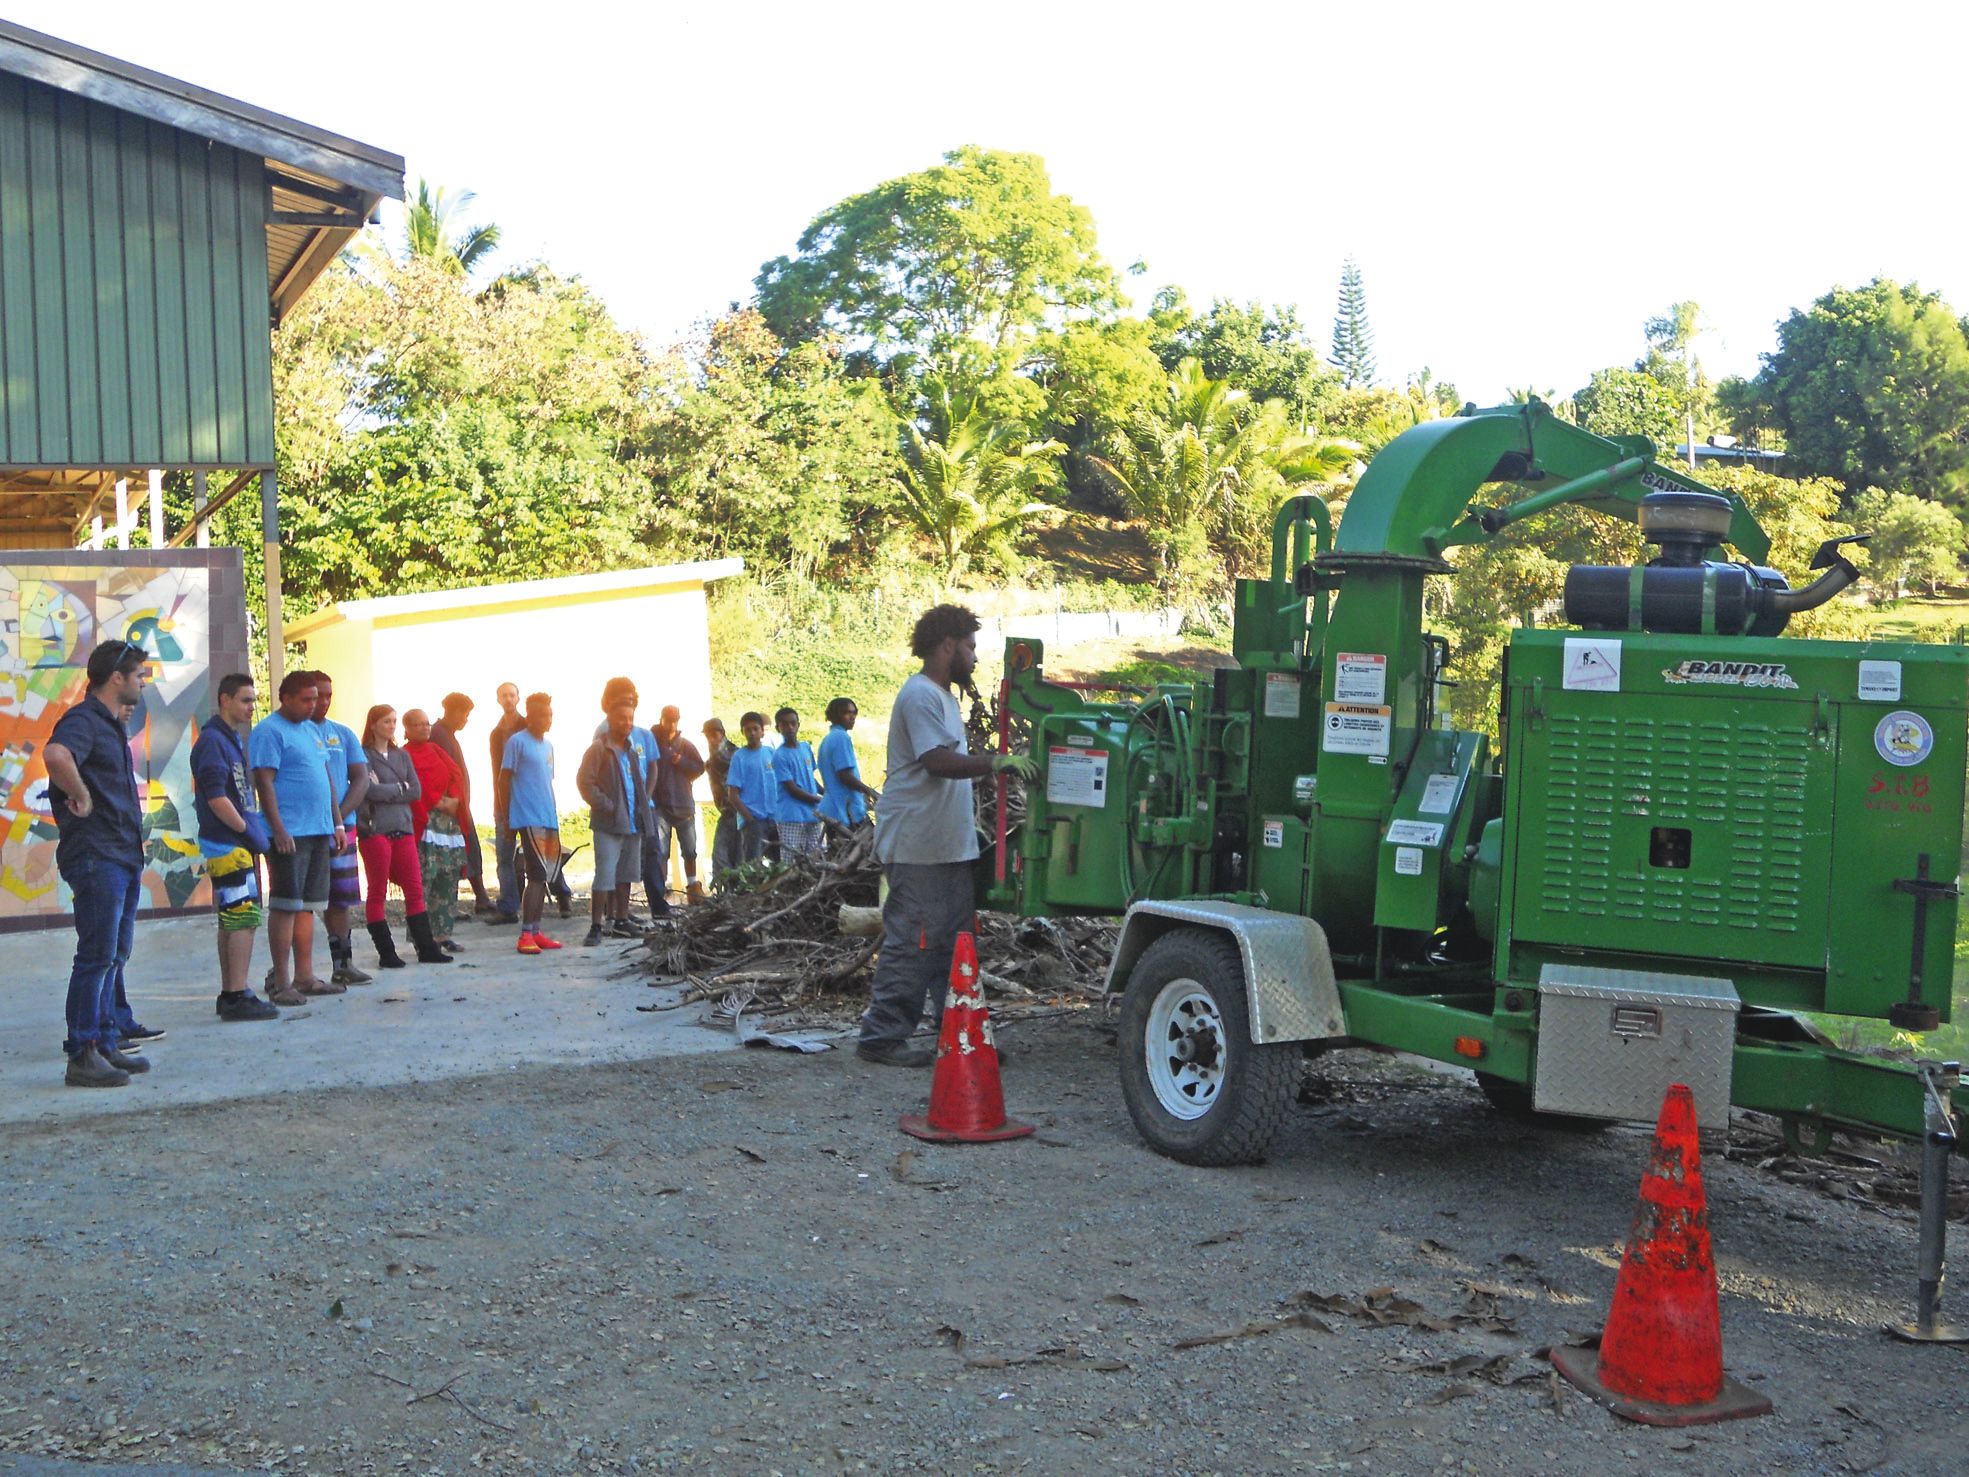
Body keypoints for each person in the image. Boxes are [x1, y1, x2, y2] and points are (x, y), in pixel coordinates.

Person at [857, 605, 1034, 1068]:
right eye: (971, 647)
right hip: (918, 847)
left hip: (946, 848)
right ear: (948, 645)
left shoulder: (944, 698)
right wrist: (994, 763)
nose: (975, 658)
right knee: (913, 941)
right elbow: (936, 761)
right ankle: (881, 1038)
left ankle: (957, 1034)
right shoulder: (920, 696)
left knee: (953, 946)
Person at [42, 639, 158, 1086]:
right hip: (96, 855)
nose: (142, 682)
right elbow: (55, 755)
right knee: (96, 954)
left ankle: (106, 1042)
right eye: (139, 675)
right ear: (116, 678)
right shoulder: (84, 719)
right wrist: (82, 794)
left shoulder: (109, 725)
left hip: (121, 854)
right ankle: (83, 1052)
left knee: (115, 953)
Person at [189, 672, 278, 1022]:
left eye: (254, 701)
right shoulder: (213, 740)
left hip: (232, 842)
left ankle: (231, 992)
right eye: (245, 700)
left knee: (234, 918)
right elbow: (215, 796)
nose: (251, 707)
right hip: (228, 843)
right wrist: (247, 832)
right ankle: (237, 993)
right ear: (224, 700)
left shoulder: (228, 738)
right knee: (243, 918)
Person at [251, 671, 343, 1003]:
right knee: (286, 905)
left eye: (316, 698)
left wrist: (338, 823)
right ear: (285, 698)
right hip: (290, 832)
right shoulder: (269, 731)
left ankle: (305, 977)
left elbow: (326, 776)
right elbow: (264, 782)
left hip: (318, 829)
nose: (313, 704)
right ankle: (282, 981)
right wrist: (277, 829)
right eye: (306, 699)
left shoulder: (311, 730)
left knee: (309, 906)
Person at [358, 705, 450, 967]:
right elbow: (368, 790)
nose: (391, 726)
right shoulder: (364, 756)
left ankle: (426, 947)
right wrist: (399, 788)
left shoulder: (401, 756)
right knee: (377, 890)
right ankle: (386, 951)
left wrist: (387, 788)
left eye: (394, 721)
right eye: (386, 721)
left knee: (414, 887)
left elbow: (415, 791)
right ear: (373, 724)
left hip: (403, 826)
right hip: (376, 828)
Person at [309, 672, 372, 987]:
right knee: (304, 901)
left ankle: (342, 963)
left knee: (341, 899)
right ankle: (294, 972)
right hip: (306, 830)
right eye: (317, 695)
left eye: (328, 695)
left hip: (342, 830)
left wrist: (340, 816)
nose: (323, 701)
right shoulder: (294, 732)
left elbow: (360, 778)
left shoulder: (343, 734)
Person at [490, 681, 573, 921]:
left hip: (546, 815)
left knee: (548, 866)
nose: (549, 720)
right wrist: (505, 815)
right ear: (532, 717)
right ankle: (520, 922)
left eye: (550, 715)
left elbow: (544, 781)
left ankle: (558, 899)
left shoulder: (547, 745)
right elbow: (502, 778)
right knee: (531, 872)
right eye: (544, 715)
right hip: (523, 814)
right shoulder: (511, 739)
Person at [578, 699, 649, 947]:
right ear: (610, 719)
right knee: (605, 874)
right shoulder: (598, 748)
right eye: (622, 718)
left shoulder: (631, 749)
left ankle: (621, 920)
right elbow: (585, 783)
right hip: (608, 822)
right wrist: (607, 805)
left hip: (632, 820)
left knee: (626, 874)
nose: (627, 723)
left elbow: (637, 781)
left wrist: (641, 808)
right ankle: (596, 925)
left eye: (630, 719)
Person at [404, 709, 468, 952]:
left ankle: (443, 934)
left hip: (447, 824)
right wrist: (435, 801)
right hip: (423, 824)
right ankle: (423, 938)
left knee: (448, 878)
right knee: (423, 880)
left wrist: (454, 799)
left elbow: (455, 774)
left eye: (426, 723)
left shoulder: (436, 750)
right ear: (407, 728)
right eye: (418, 724)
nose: (424, 728)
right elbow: (412, 785)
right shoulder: (404, 755)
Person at [433, 692, 495, 916]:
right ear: (454, 711)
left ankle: (481, 898)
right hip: (450, 805)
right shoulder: (438, 734)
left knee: (469, 850)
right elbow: (443, 772)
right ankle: (451, 905)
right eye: (465, 714)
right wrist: (451, 801)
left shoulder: (447, 734)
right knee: (452, 854)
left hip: (459, 804)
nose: (465, 720)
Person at [650, 705, 708, 901]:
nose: (671, 723)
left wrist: (682, 761)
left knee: (690, 850)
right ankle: (661, 889)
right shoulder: (653, 744)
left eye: (675, 719)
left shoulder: (686, 745)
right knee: (661, 852)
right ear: (661, 719)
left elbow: (700, 767)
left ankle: (693, 887)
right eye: (668, 719)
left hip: (684, 807)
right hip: (660, 807)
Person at [817, 696, 879, 835]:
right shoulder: (840, 738)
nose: (852, 717)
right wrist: (870, 792)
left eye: (854, 713)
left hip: (832, 810)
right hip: (844, 812)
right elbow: (844, 775)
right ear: (835, 715)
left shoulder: (828, 739)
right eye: (847, 713)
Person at [770, 707, 824, 862]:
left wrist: (826, 793)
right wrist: (819, 799)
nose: (790, 728)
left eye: (793, 723)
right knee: (791, 860)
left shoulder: (806, 748)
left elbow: (810, 778)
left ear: (798, 725)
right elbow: (792, 789)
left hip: (812, 813)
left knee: (816, 857)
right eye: (785, 725)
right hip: (791, 815)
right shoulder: (779, 756)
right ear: (778, 728)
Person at [724, 712, 777, 866]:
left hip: (774, 819)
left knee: (780, 866)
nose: (752, 733)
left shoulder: (770, 753)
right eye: (748, 730)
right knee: (754, 868)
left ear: (762, 731)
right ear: (743, 732)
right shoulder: (739, 757)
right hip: (753, 822)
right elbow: (733, 795)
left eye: (755, 729)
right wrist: (750, 819)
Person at [702, 718, 740, 884]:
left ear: (722, 734)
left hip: (740, 811)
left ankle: (736, 892)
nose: (711, 739)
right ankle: (730, 892)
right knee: (724, 856)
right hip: (726, 811)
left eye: (715, 735)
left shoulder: (735, 754)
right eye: (708, 735)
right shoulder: (712, 758)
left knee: (728, 855)